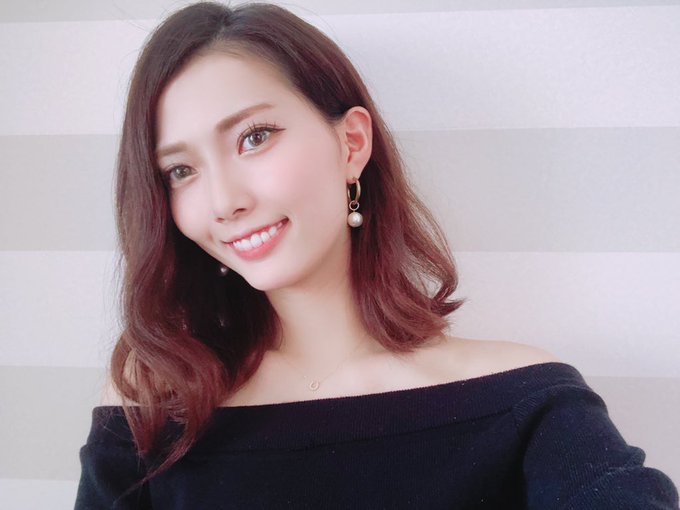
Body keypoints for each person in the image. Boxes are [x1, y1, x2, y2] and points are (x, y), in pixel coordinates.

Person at [75, 2, 679, 509]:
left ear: (351, 142)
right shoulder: (152, 406)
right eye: (180, 170)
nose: (223, 201)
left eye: (254, 137)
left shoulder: (525, 401)